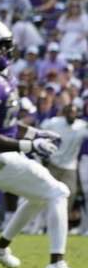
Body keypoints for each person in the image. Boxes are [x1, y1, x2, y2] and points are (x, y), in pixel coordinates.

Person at [0, 19, 87, 268]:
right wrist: (31, 146)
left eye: (2, 47)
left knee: (38, 197)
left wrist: (36, 133)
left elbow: (8, 125)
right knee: (59, 192)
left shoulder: (4, 79)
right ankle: (57, 264)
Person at [38, 101, 88, 239]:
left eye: (74, 113)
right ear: (64, 114)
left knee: (69, 194)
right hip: (53, 163)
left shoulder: (82, 126)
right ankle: (44, 225)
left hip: (70, 166)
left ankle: (60, 224)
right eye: (69, 112)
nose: (72, 115)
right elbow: (40, 130)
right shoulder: (54, 122)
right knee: (47, 194)